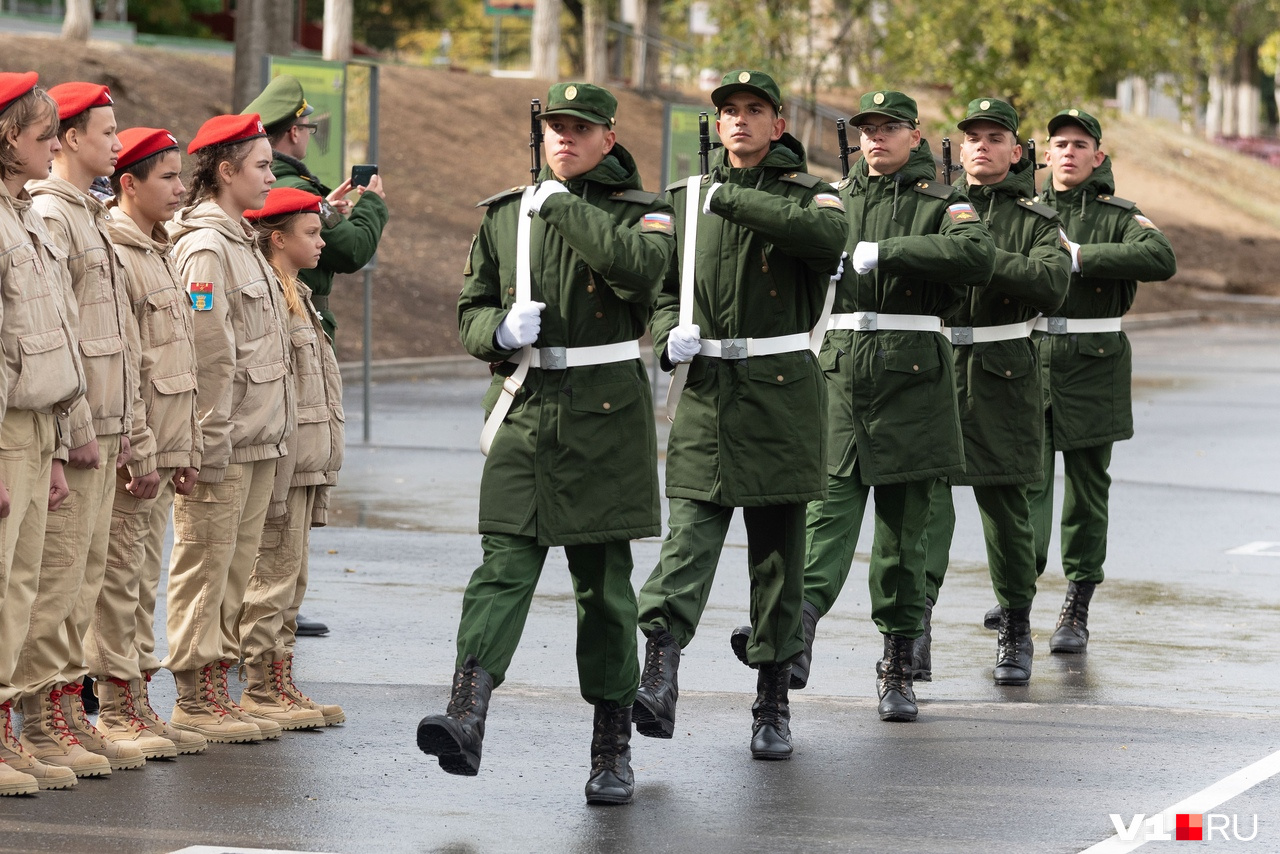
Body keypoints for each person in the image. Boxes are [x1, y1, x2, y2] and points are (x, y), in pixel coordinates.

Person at [417, 82, 674, 806]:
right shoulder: (504, 216)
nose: (564, 138)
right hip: (526, 409)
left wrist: (559, 205)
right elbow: (472, 308)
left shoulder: (642, 211)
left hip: (605, 417)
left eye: (580, 128)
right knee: (502, 568)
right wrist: (496, 334)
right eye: (555, 127)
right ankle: (466, 714)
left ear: (608, 137)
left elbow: (643, 271)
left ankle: (612, 745)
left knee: (604, 592)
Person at [759, 90, 994, 723]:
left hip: (912, 377)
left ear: (915, 137)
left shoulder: (945, 202)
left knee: (902, 531)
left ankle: (896, 665)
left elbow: (976, 256)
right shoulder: (831, 198)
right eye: (867, 129)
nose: (876, 139)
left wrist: (890, 252)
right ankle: (797, 636)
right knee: (823, 515)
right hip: (838, 370)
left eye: (890, 128)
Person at [632, 70, 847, 760]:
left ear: (779, 124)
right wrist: (668, 336)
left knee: (779, 554)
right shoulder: (684, 200)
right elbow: (665, 287)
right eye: (729, 112)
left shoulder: (813, 195)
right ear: (716, 125)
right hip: (708, 390)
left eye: (755, 111)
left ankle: (772, 699)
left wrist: (732, 202)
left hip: (783, 393)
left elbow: (825, 242)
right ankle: (659, 670)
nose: (741, 121)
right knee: (688, 538)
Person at [915, 98, 1070, 686]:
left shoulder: (1037, 221)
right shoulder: (932, 208)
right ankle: (914, 628)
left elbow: (1052, 283)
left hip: (1004, 367)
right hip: (931, 362)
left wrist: (978, 257)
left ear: (1016, 151)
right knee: (925, 506)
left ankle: (1015, 626)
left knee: (1006, 508)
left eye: (994, 136)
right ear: (958, 149)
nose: (982, 145)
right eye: (972, 136)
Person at [18, 81, 147, 776]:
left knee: (81, 583)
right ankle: (36, 722)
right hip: (68, 429)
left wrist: (125, 427)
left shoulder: (84, 216)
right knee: (52, 584)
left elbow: (105, 338)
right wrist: (76, 432)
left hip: (96, 427)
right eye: (107, 131)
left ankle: (65, 710)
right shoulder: (52, 215)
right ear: (69, 139)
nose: (117, 143)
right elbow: (52, 341)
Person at [243, 73, 390, 639]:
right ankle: (263, 618)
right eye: (305, 127)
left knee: (297, 474)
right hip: (292, 325)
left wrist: (323, 210)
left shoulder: (292, 181)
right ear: (291, 133)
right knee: (285, 477)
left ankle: (273, 617)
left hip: (303, 315)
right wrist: (372, 206)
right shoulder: (287, 180)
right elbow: (350, 249)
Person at [164, 112, 292, 743]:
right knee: (207, 566)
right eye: (262, 165)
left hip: (256, 436)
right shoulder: (207, 247)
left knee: (235, 569)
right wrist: (205, 442)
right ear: (225, 170)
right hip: (226, 438)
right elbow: (208, 353)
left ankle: (215, 682)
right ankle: (193, 690)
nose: (272, 176)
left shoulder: (241, 241)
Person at [1027, 108, 1176, 653]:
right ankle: (1018, 590)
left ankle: (1077, 601)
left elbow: (1161, 257)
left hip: (1094, 361)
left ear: (1098, 156)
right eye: (1058, 143)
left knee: (1087, 490)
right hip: (1031, 355)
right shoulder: (1027, 208)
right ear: (1044, 154)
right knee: (1026, 484)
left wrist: (1081, 256)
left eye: (1078, 144)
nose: (1067, 151)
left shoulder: (1119, 214)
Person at [83, 127, 207, 758]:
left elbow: (175, 365)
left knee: (140, 582)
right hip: (136, 450)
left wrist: (180, 450)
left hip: (159, 445)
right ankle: (113, 706)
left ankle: (135, 698)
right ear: (128, 183)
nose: (181, 190)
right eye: (168, 178)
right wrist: (142, 448)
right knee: (118, 581)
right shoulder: (118, 249)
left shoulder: (158, 251)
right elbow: (126, 365)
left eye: (182, 177)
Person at [0, 71, 87, 794]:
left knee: (22, 582)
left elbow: (49, 340)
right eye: (41, 136)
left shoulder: (22, 213)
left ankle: (6, 724)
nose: (53, 146)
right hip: (2, 430)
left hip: (34, 426)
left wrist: (56, 448)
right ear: (7, 139)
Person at [238, 186, 347, 731]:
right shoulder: (273, 299)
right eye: (312, 232)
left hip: (305, 458)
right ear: (278, 238)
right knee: (272, 576)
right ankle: (260, 685)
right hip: (285, 456)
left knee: (292, 578)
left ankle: (279, 678)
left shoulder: (296, 292)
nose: (322, 241)